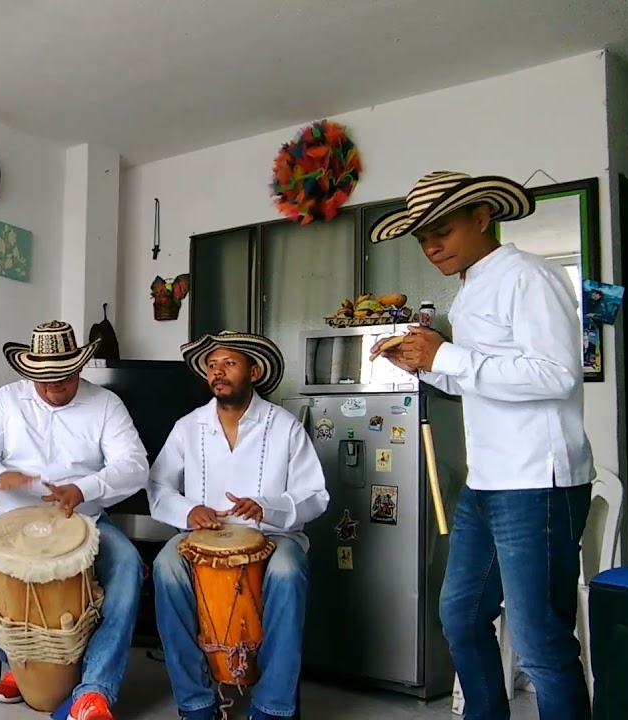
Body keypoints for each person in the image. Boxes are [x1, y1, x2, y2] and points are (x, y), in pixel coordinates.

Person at [369, 171, 594, 720]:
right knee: (462, 617)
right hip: (487, 482)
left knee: (541, 643)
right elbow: (479, 377)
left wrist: (445, 356)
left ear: (482, 216)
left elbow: (557, 375)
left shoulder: (528, 276)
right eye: (422, 239)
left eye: (441, 230)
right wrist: (424, 367)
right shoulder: (470, 289)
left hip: (537, 482)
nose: (431, 247)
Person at [0, 320, 149, 720]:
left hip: (86, 520)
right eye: (40, 382)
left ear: (79, 369)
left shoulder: (106, 405)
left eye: (59, 382)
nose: (49, 391)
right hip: (13, 521)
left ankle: (94, 689)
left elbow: (134, 467)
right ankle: (22, 669)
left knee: (128, 566)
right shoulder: (7, 401)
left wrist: (85, 489)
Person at [147, 331, 328, 720]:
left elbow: (315, 495)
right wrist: (188, 510)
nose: (218, 372)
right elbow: (158, 485)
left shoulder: (285, 427)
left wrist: (266, 507)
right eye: (212, 366)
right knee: (165, 567)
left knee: (288, 570)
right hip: (199, 536)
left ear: (254, 370)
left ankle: (273, 706)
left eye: (228, 364)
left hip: (274, 536)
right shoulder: (188, 426)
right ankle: (195, 702)